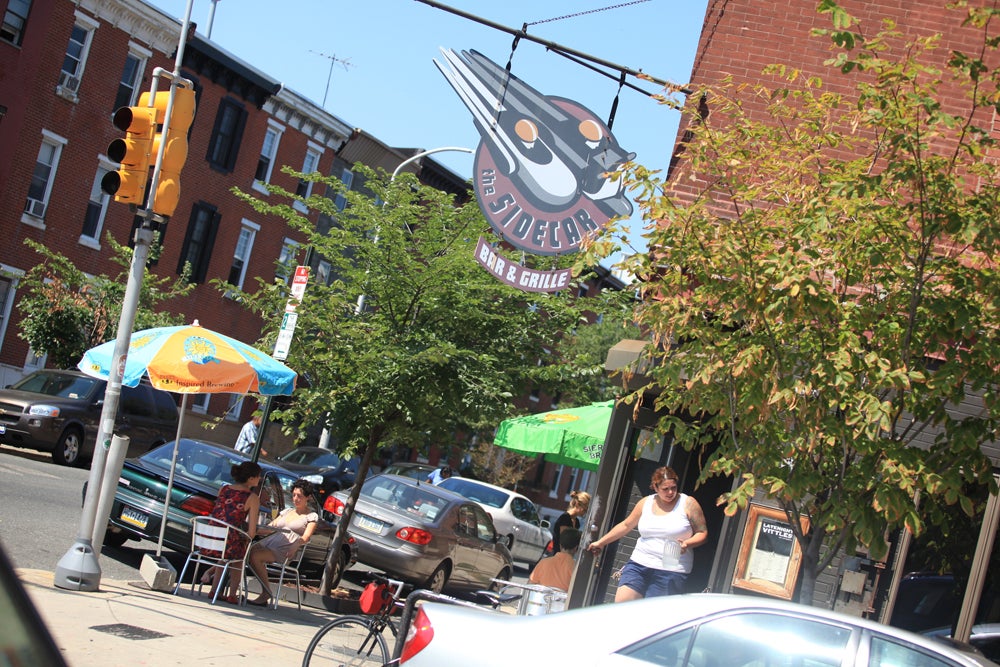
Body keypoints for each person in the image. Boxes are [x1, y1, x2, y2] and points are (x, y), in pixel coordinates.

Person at [587, 466, 707, 602]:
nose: (670, 492)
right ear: (655, 487)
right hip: (639, 563)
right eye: (665, 489)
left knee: (652, 615)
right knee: (622, 604)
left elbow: (702, 533)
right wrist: (601, 542)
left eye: (673, 487)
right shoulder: (646, 502)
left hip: (671, 569)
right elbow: (626, 525)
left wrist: (687, 543)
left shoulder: (688, 503)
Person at [246, 479, 318, 607]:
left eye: (300, 496)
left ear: (308, 497)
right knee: (243, 551)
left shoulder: (311, 516)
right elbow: (270, 527)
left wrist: (297, 544)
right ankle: (224, 584)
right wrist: (253, 529)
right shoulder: (287, 511)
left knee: (254, 556)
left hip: (284, 549)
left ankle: (266, 592)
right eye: (294, 495)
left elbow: (306, 536)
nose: (296, 499)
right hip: (268, 542)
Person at [202, 461, 262, 604]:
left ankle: (214, 590)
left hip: (208, 539)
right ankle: (233, 594)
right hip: (227, 543)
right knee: (239, 554)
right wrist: (248, 538)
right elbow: (252, 532)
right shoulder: (252, 498)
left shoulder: (223, 489)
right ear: (251, 478)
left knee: (227, 549)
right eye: (258, 476)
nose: (260, 479)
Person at [529, 528, 581, 592]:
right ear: (576, 548)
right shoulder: (576, 568)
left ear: (560, 545)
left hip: (541, 600)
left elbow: (530, 585)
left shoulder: (543, 562)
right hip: (563, 601)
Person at [550, 490, 590, 555]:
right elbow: (564, 542)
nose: (585, 512)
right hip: (557, 556)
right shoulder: (565, 518)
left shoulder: (577, 522)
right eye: (585, 509)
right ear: (577, 504)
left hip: (567, 557)